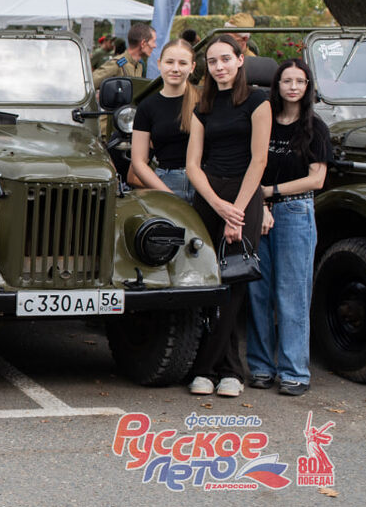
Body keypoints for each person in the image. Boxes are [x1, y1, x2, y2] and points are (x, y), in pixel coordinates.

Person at [185, 34, 271, 398]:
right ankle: (228, 369)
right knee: (209, 282)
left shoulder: (258, 101)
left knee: (234, 282)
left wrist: (236, 211)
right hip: (209, 197)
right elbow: (192, 165)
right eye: (212, 61)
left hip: (245, 196)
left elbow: (259, 159)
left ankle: (211, 369)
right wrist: (217, 204)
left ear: (240, 60)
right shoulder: (202, 105)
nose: (219, 67)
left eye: (225, 59)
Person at [246, 59, 330, 397]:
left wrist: (272, 193)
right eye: (286, 80)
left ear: (308, 86)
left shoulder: (315, 127)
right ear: (276, 85)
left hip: (295, 212)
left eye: (300, 81)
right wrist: (261, 203)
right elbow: (252, 165)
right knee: (258, 293)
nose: (293, 87)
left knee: (292, 294)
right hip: (260, 211)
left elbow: (317, 178)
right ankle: (261, 367)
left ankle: (294, 371)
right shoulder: (264, 123)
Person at [129, 40, 199, 201]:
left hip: (203, 183)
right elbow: (138, 162)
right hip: (165, 183)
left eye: (182, 63)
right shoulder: (147, 106)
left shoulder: (203, 101)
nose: (175, 68)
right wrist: (169, 196)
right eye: (169, 62)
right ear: (160, 64)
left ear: (192, 67)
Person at [92, 23, 157, 86]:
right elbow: (90, 84)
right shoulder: (117, 64)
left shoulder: (139, 65)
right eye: (153, 41)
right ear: (143, 43)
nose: (155, 46)